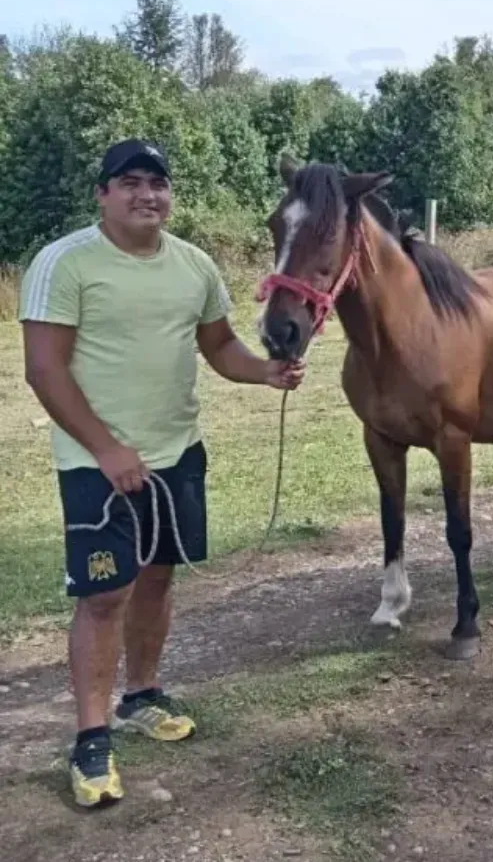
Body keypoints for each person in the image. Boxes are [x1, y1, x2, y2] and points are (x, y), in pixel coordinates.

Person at [18, 139, 305, 808]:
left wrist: (265, 371)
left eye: (158, 183)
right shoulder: (65, 262)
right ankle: (91, 738)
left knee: (157, 576)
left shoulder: (194, 265)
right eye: (130, 182)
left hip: (177, 453)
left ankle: (142, 694)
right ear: (103, 194)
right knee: (103, 596)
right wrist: (107, 448)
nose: (147, 194)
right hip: (96, 464)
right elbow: (44, 369)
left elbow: (219, 345)